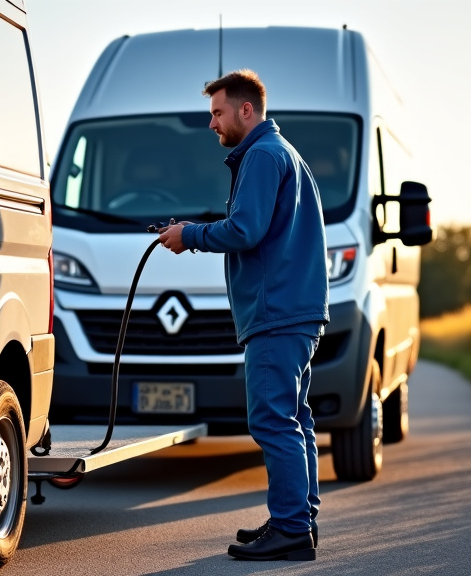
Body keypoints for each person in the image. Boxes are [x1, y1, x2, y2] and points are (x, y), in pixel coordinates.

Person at [157, 69, 329, 562]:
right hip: (295, 310)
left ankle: (293, 529)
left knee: (273, 421)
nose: (212, 123)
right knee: (294, 418)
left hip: (276, 313)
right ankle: (296, 520)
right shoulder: (283, 154)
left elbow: (245, 230)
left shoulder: (261, 156)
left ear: (245, 110)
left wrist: (189, 235)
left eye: (217, 112)